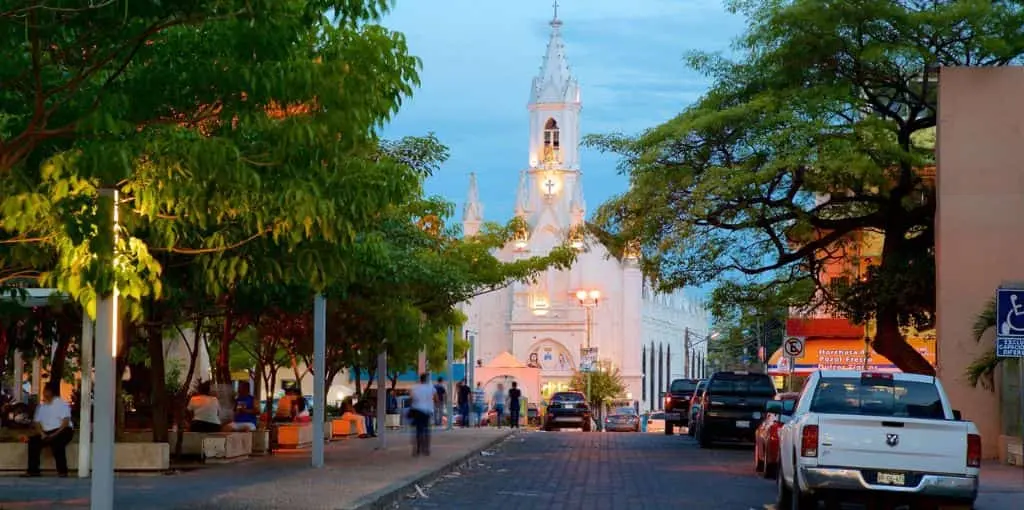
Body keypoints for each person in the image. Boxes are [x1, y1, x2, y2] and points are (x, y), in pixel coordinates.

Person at [23, 383, 73, 477]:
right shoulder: (41, 407)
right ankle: (33, 470)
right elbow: (37, 423)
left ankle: (62, 471)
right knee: (33, 442)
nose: (44, 392)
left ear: (51, 392)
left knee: (58, 443)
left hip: (62, 430)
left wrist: (54, 435)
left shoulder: (61, 404)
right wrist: (42, 434)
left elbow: (65, 422)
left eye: (46, 390)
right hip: (46, 432)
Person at [408, 373, 435, 456]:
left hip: (417, 411)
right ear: (427, 379)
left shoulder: (415, 387)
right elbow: (436, 398)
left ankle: (417, 449)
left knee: (418, 430)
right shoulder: (430, 387)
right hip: (427, 411)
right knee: (426, 430)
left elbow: (411, 399)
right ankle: (426, 449)